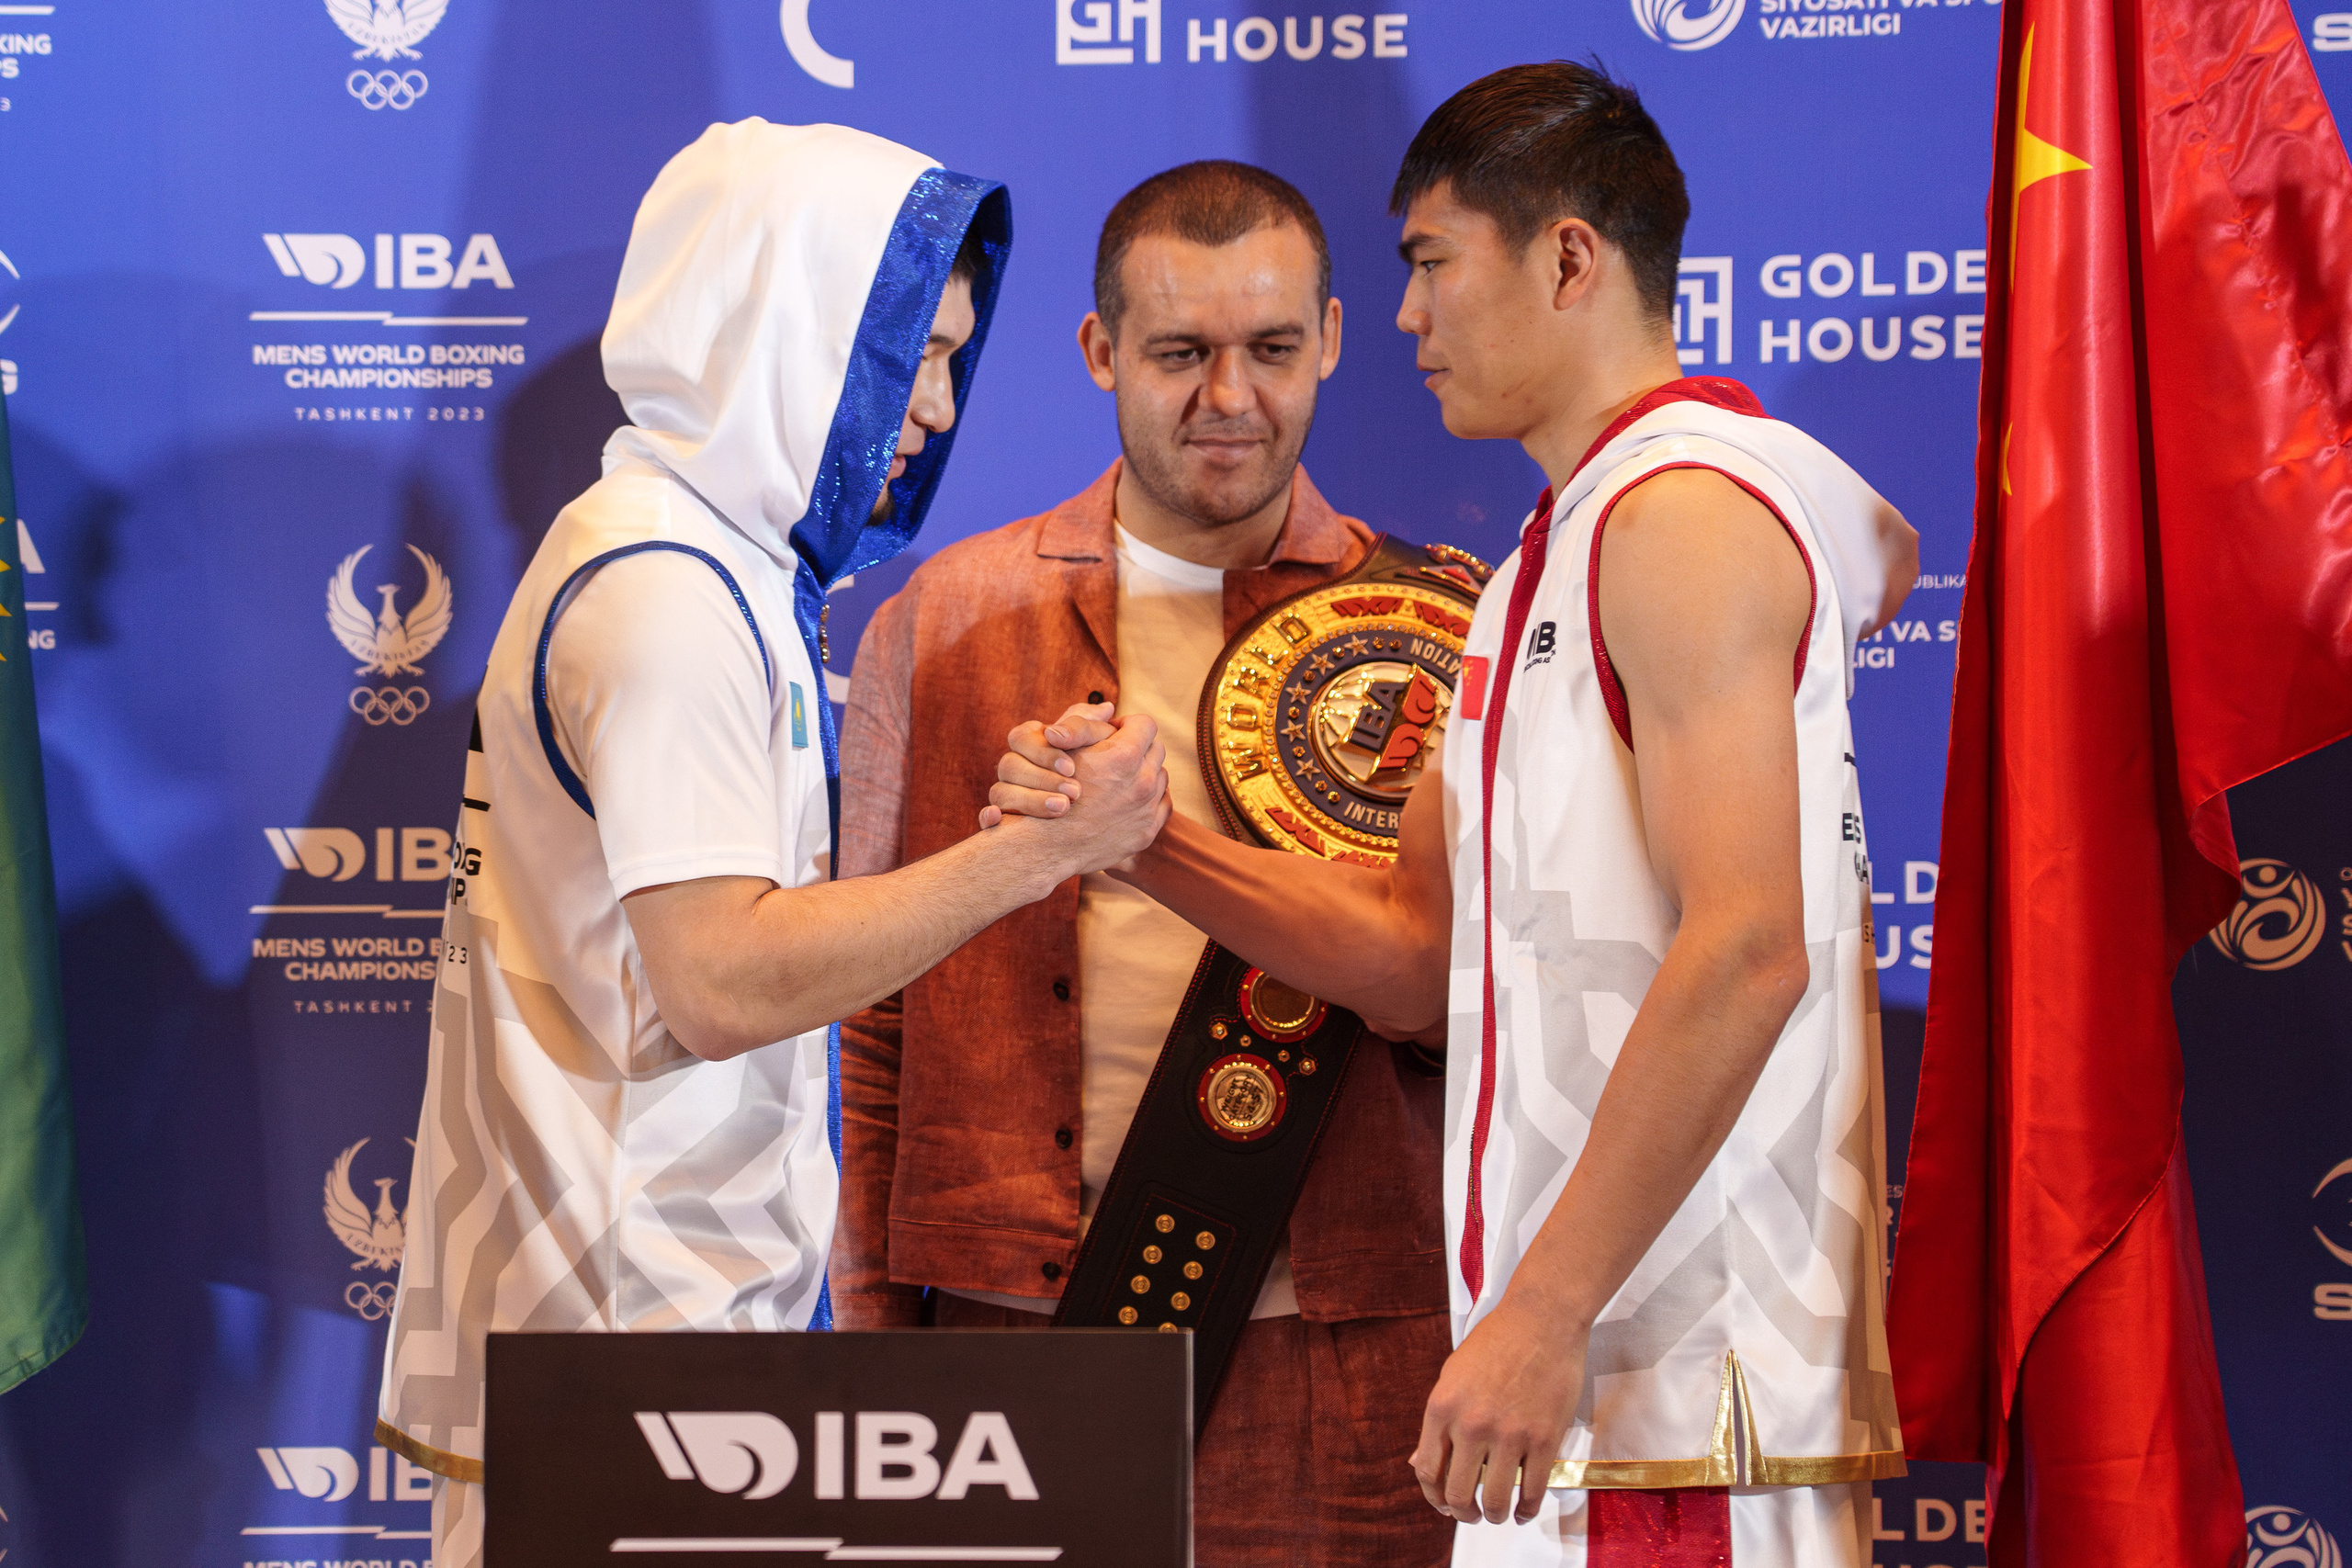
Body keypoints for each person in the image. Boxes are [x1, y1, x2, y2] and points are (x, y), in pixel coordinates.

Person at [993, 65, 1922, 1566]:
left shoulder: (1683, 516)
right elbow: (1413, 950)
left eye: (1432, 262)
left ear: (1569, 259)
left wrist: (1544, 1312)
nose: (1408, 316)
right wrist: (1140, 839)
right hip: (1563, 1392)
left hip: (1670, 1396)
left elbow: (1752, 947)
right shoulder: (1543, 561)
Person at [372, 119, 1168, 1568]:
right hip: (623, 1358)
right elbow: (724, 981)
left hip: (642, 1340)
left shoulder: (700, 559)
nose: (937, 408)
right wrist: (1037, 854)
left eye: (952, 359)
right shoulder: (667, 594)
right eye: (913, 354)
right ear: (790, 325)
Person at [832, 161, 1453, 1567]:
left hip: (1348, 1351)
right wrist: (869, 1335)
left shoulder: (1435, 627)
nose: (1229, 398)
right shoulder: (941, 620)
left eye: (1272, 349)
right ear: (1100, 351)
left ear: (1333, 339)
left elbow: (1474, 1008)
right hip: (1005, 1338)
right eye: (1179, 354)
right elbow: (875, 1020)